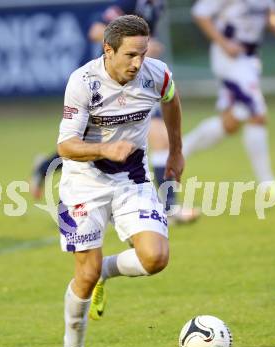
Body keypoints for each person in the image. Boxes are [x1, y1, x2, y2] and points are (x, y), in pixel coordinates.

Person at [58, 15, 184, 347]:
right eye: (130, 55)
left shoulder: (155, 73)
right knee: (84, 272)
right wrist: (103, 150)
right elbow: (65, 145)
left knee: (156, 258)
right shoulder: (82, 82)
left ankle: (105, 274)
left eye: (142, 53)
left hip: (132, 179)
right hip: (83, 183)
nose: (138, 63)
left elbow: (172, 100)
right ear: (108, 50)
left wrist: (175, 151)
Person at [31, 0, 198, 224]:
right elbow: (95, 31)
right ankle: (45, 168)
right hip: (104, 86)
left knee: (160, 139)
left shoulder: (156, 5)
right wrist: (129, 46)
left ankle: (169, 205)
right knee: (86, 144)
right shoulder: (127, 2)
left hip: (136, 83)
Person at [183, 0, 275, 191]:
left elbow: (271, 16)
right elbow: (200, 13)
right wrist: (224, 44)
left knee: (231, 123)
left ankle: (179, 150)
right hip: (229, 59)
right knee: (257, 115)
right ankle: (267, 183)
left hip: (250, 60)